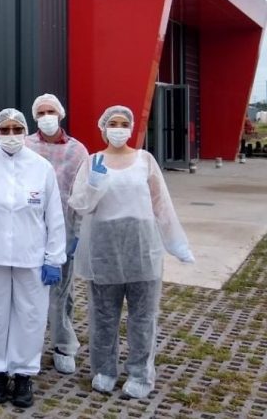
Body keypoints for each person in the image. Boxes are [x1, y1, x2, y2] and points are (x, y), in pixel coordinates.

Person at [69, 105, 195, 399]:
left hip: (142, 247)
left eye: (123, 123)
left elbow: (161, 205)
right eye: (112, 123)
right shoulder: (92, 162)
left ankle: (140, 374)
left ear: (131, 127)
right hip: (105, 248)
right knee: (103, 315)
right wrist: (94, 185)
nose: (118, 128)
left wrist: (176, 244)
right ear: (103, 128)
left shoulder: (145, 161)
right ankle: (104, 371)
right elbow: (81, 205)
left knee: (143, 316)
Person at [0, 108, 66, 408]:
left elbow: (54, 216)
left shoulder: (41, 167)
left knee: (30, 316)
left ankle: (23, 375)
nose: (10, 135)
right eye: (4, 130)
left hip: (32, 256)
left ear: (25, 132)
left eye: (16, 129)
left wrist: (54, 258)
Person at [25, 93, 89, 374]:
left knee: (61, 292)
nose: (46, 117)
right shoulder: (26, 145)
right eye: (41, 113)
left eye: (50, 111)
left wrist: (78, 232)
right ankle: (29, 344)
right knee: (29, 290)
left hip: (64, 228)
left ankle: (63, 345)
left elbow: (83, 194)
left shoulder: (77, 151)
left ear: (60, 115)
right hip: (29, 229)